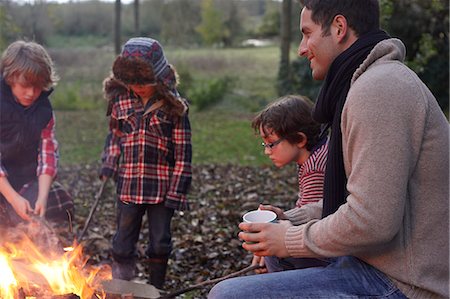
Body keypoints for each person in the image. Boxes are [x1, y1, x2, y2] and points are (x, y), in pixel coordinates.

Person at [209, 0, 449, 298]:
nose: (301, 48)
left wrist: (290, 238)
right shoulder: (366, 84)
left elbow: (371, 222)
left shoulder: (380, 90)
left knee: (227, 295)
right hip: (376, 263)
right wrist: (289, 220)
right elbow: (357, 202)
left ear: (338, 28)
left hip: (405, 283)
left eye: (307, 33)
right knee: (273, 252)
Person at [100, 37, 192, 290]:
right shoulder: (120, 101)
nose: (137, 87)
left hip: (162, 188)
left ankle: (156, 289)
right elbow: (115, 135)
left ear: (159, 77)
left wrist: (177, 190)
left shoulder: (174, 108)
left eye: (143, 82)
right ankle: (122, 286)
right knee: (122, 239)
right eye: (132, 82)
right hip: (129, 185)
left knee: (160, 241)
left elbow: (184, 154)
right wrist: (109, 162)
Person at [250, 95, 329, 273]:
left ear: (299, 139)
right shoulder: (317, 154)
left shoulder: (315, 168)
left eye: (271, 144)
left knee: (272, 251)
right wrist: (284, 216)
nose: (266, 151)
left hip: (328, 254)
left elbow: (313, 221)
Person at [0, 40, 73, 226]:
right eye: (25, 85)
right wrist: (12, 198)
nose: (31, 93)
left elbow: (47, 154)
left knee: (56, 202)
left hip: (26, 179)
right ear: (10, 78)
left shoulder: (44, 111)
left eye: (38, 86)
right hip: (3, 181)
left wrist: (42, 197)